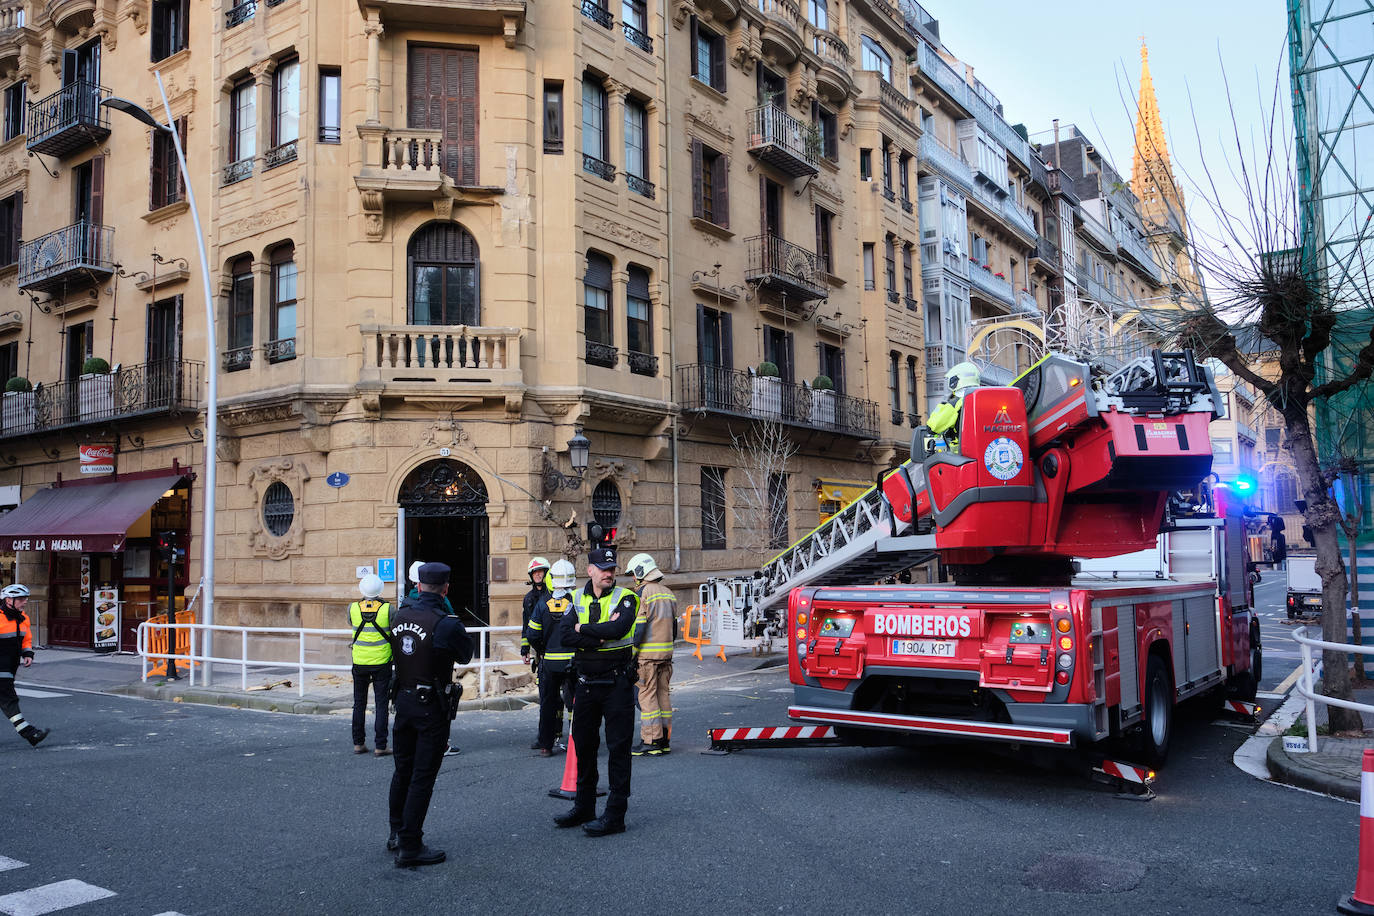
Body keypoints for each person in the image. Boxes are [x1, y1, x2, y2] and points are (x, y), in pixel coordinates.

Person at [387, 563, 474, 868]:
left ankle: (396, 833)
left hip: (403, 701)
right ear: (446, 589)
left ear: (419, 586)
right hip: (430, 707)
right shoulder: (445, 623)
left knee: (402, 771)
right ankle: (410, 845)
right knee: (422, 776)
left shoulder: (400, 615)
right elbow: (466, 654)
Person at [554, 547, 639, 837]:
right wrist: (596, 635)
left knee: (618, 749)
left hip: (617, 683)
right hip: (586, 683)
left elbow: (618, 630)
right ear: (590, 570)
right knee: (584, 746)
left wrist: (583, 629)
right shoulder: (575, 598)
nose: (609, 573)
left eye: (612, 569)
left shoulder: (626, 597)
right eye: (603, 568)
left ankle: (615, 815)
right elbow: (565, 635)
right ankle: (584, 806)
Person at [626, 553, 677, 757]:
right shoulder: (669, 593)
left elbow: (639, 629)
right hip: (666, 655)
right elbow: (674, 629)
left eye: (633, 574)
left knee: (646, 696)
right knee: (663, 695)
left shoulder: (643, 593)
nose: (633, 579)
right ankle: (664, 740)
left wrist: (632, 654)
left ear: (640, 572)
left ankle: (651, 741)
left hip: (647, 657)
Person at [526, 559, 577, 757]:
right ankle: (576, 742)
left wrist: (541, 650)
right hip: (573, 661)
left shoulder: (542, 604)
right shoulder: (577, 601)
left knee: (548, 703)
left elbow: (532, 634)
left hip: (549, 662)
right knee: (576, 703)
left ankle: (546, 746)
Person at [349, 573, 393, 756]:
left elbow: (351, 622)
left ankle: (358, 744)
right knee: (381, 704)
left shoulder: (352, 608)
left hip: (359, 661)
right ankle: (380, 746)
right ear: (380, 590)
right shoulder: (388, 609)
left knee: (359, 703)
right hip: (382, 662)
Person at [1, 584, 47, 748]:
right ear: (8, 600)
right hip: (1, 667)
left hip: (11, 665)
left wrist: (27, 653)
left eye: (25, 598)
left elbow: (26, 639)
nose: (25, 602)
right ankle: (29, 733)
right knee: (8, 697)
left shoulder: (23, 618)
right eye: (20, 599)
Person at [521, 557, 552, 749]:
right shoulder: (529, 599)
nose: (538, 575)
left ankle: (560, 733)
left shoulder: (554, 595)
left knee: (565, 697)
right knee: (546, 697)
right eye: (535, 572)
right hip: (541, 653)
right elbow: (526, 626)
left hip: (556, 650)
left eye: (541, 571)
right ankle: (545, 736)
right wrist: (525, 649)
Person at [923, 361, 982, 453]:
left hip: (963, 455)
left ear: (955, 381)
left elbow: (932, 427)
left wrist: (942, 406)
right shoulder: (985, 399)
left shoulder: (955, 404)